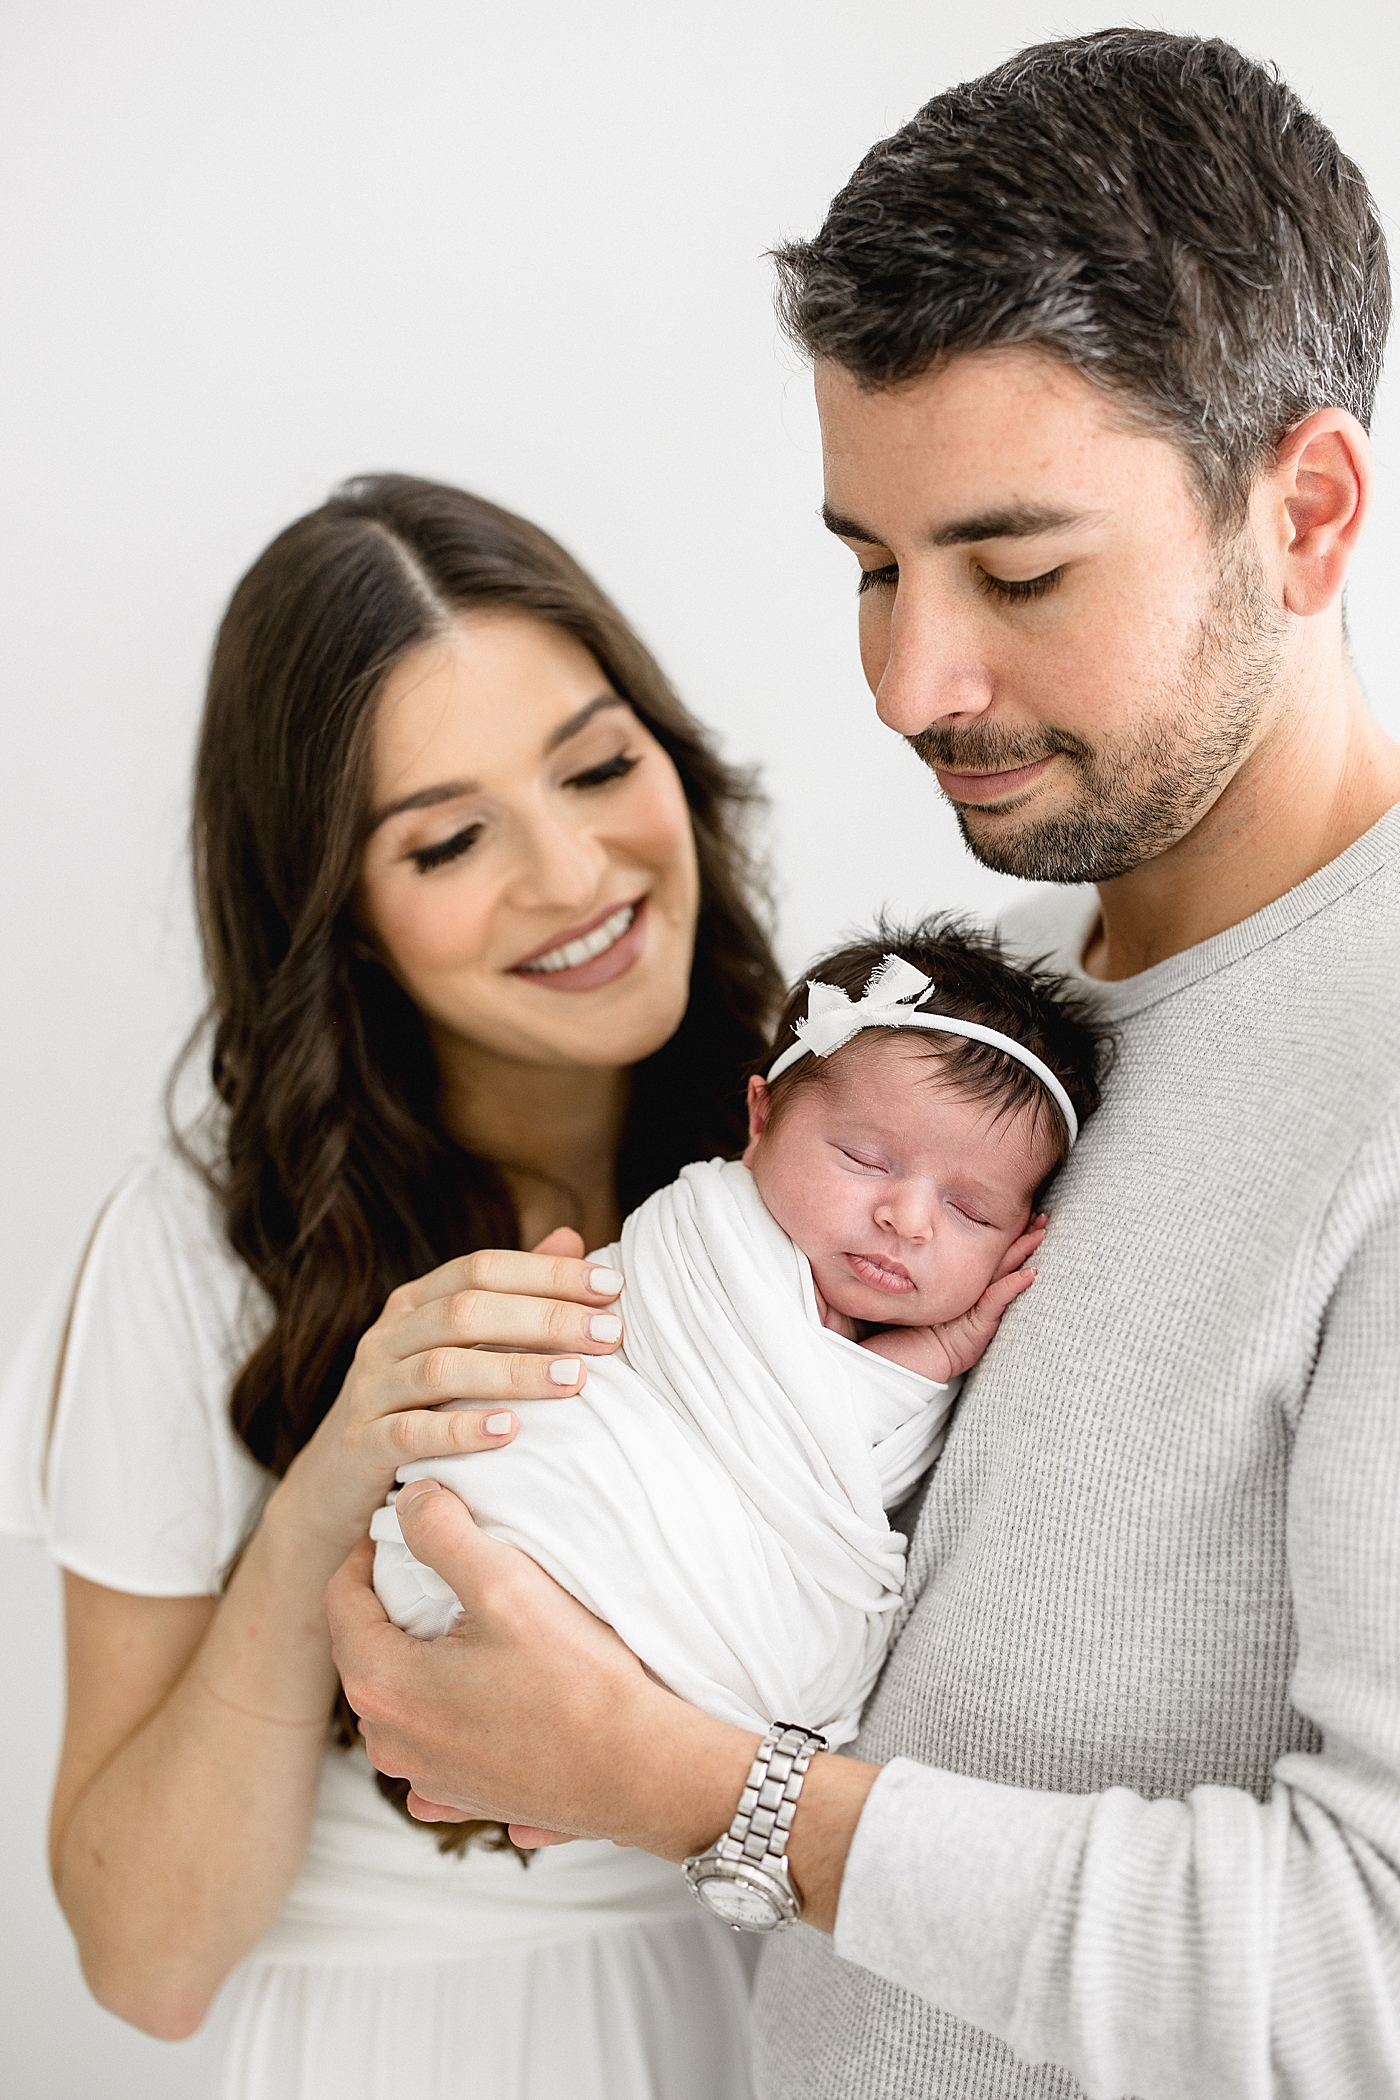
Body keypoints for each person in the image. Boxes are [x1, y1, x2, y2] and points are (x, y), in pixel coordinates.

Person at [324, 30, 1400, 2100]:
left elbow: (1365, 1972)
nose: (912, 681)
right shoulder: (961, 1024)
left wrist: (707, 1791)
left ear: (1308, 510)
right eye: (866, 563)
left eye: (1014, 572)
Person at [3, 472, 786, 2099]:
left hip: (784, 2032)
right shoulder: (195, 1247)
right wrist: (334, 1482)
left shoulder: (829, 1150)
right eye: (447, 839)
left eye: (596, 765)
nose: (574, 873)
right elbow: (144, 1965)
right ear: (341, 921)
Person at [372, 925, 1107, 1759]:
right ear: (760, 1116)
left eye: (972, 1212)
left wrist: (949, 1346)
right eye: (866, 1159)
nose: (907, 1220)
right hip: (533, 1494)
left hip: (665, 1677)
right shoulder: (712, 1247)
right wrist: (935, 1353)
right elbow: (830, 1404)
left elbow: (838, 1440)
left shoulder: (873, 1332)